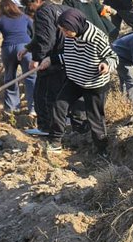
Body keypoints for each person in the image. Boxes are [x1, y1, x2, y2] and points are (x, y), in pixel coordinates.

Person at [46, 9, 117, 154]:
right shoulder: (70, 34)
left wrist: (106, 65)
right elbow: (69, 55)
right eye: (62, 30)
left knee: (95, 117)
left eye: (66, 30)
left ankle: (102, 150)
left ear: (75, 25)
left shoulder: (96, 37)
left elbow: (113, 56)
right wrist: (51, 60)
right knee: (59, 105)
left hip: (94, 83)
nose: (65, 33)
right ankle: (55, 141)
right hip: (74, 79)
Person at [19, 0, 67, 136]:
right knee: (57, 93)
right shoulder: (61, 8)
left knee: (43, 94)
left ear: (37, 0)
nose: (30, 10)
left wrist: (36, 59)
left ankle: (47, 128)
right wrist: (28, 47)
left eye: (29, 5)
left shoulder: (43, 12)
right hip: (65, 57)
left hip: (51, 59)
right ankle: (59, 126)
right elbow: (45, 35)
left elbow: (46, 39)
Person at [0, 0, 36, 114]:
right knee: (31, 77)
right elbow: (34, 32)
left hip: (8, 49)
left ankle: (12, 108)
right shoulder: (24, 17)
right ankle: (33, 108)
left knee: (10, 77)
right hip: (25, 47)